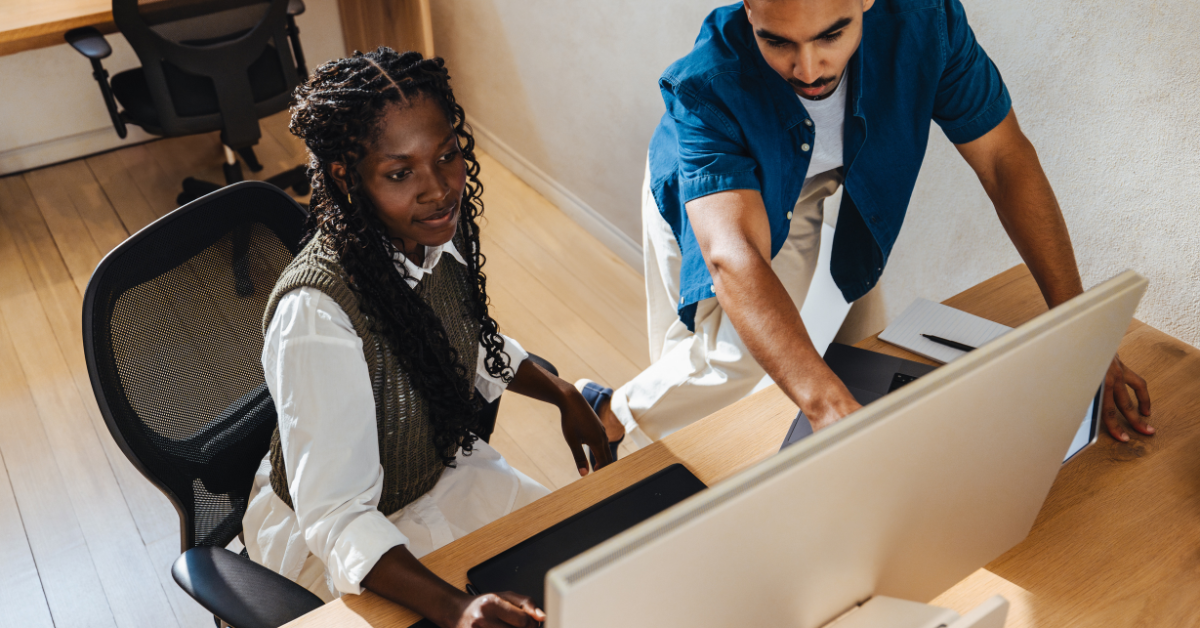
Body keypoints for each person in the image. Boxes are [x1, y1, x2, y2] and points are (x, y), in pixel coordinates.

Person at [579, 0, 1153, 451]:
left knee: (856, 343)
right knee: (724, 356)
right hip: (713, 193)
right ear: (748, 8)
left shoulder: (928, 23)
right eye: (777, 41)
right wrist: (826, 407)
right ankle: (607, 413)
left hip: (823, 183)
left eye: (831, 34)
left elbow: (1005, 161)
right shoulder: (705, 86)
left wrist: (1084, 334)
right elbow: (734, 255)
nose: (807, 69)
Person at [242, 48, 613, 628]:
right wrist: (457, 608)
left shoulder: (434, 230)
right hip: (346, 541)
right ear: (346, 177)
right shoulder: (315, 315)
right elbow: (337, 516)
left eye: (447, 157)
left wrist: (563, 393)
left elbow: (469, 338)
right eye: (400, 173)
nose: (439, 189)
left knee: (593, 581)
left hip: (439, 474)